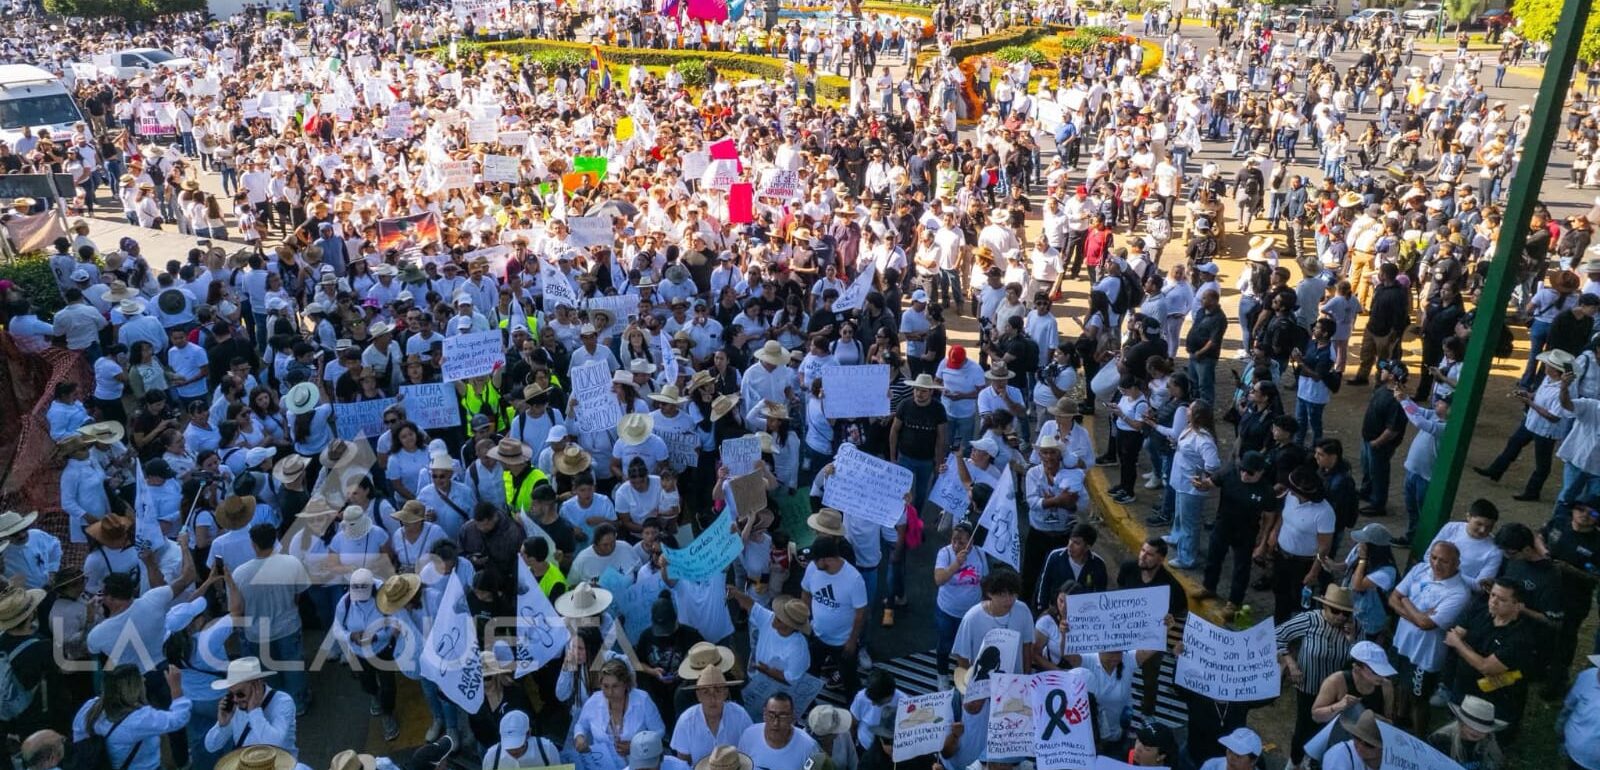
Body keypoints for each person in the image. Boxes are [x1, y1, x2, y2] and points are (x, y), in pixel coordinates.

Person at [1277, 585, 1359, 766]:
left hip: (1336, 691)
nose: (1340, 617)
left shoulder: (1356, 627)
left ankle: (1314, 763)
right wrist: (1290, 662)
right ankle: (1294, 762)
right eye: (1335, 611)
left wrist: (1352, 640)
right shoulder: (1310, 620)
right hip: (1309, 684)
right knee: (1303, 727)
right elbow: (1277, 636)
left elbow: (1362, 660)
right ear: (1325, 607)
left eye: (1345, 613)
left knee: (1326, 730)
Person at [71, 664, 192, 770]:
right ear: (133, 688)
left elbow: (78, 733)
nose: (144, 679)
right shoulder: (138, 719)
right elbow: (178, 719)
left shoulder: (90, 707)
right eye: (140, 678)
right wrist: (176, 689)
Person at [203, 658, 297, 757]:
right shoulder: (236, 706)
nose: (235, 699)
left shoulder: (282, 702)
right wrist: (222, 725)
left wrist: (254, 711)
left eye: (240, 693)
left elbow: (274, 745)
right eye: (231, 694)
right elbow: (211, 746)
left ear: (257, 685)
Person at [737, 694, 819, 770]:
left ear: (792, 717)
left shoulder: (809, 747)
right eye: (771, 715)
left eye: (782, 716)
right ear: (764, 714)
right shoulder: (749, 735)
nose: (776, 723)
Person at [1428, 696, 1508, 770]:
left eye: (1483, 729)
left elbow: (1498, 763)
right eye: (1472, 726)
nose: (1476, 732)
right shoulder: (1440, 740)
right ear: (1461, 722)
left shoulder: (1489, 740)